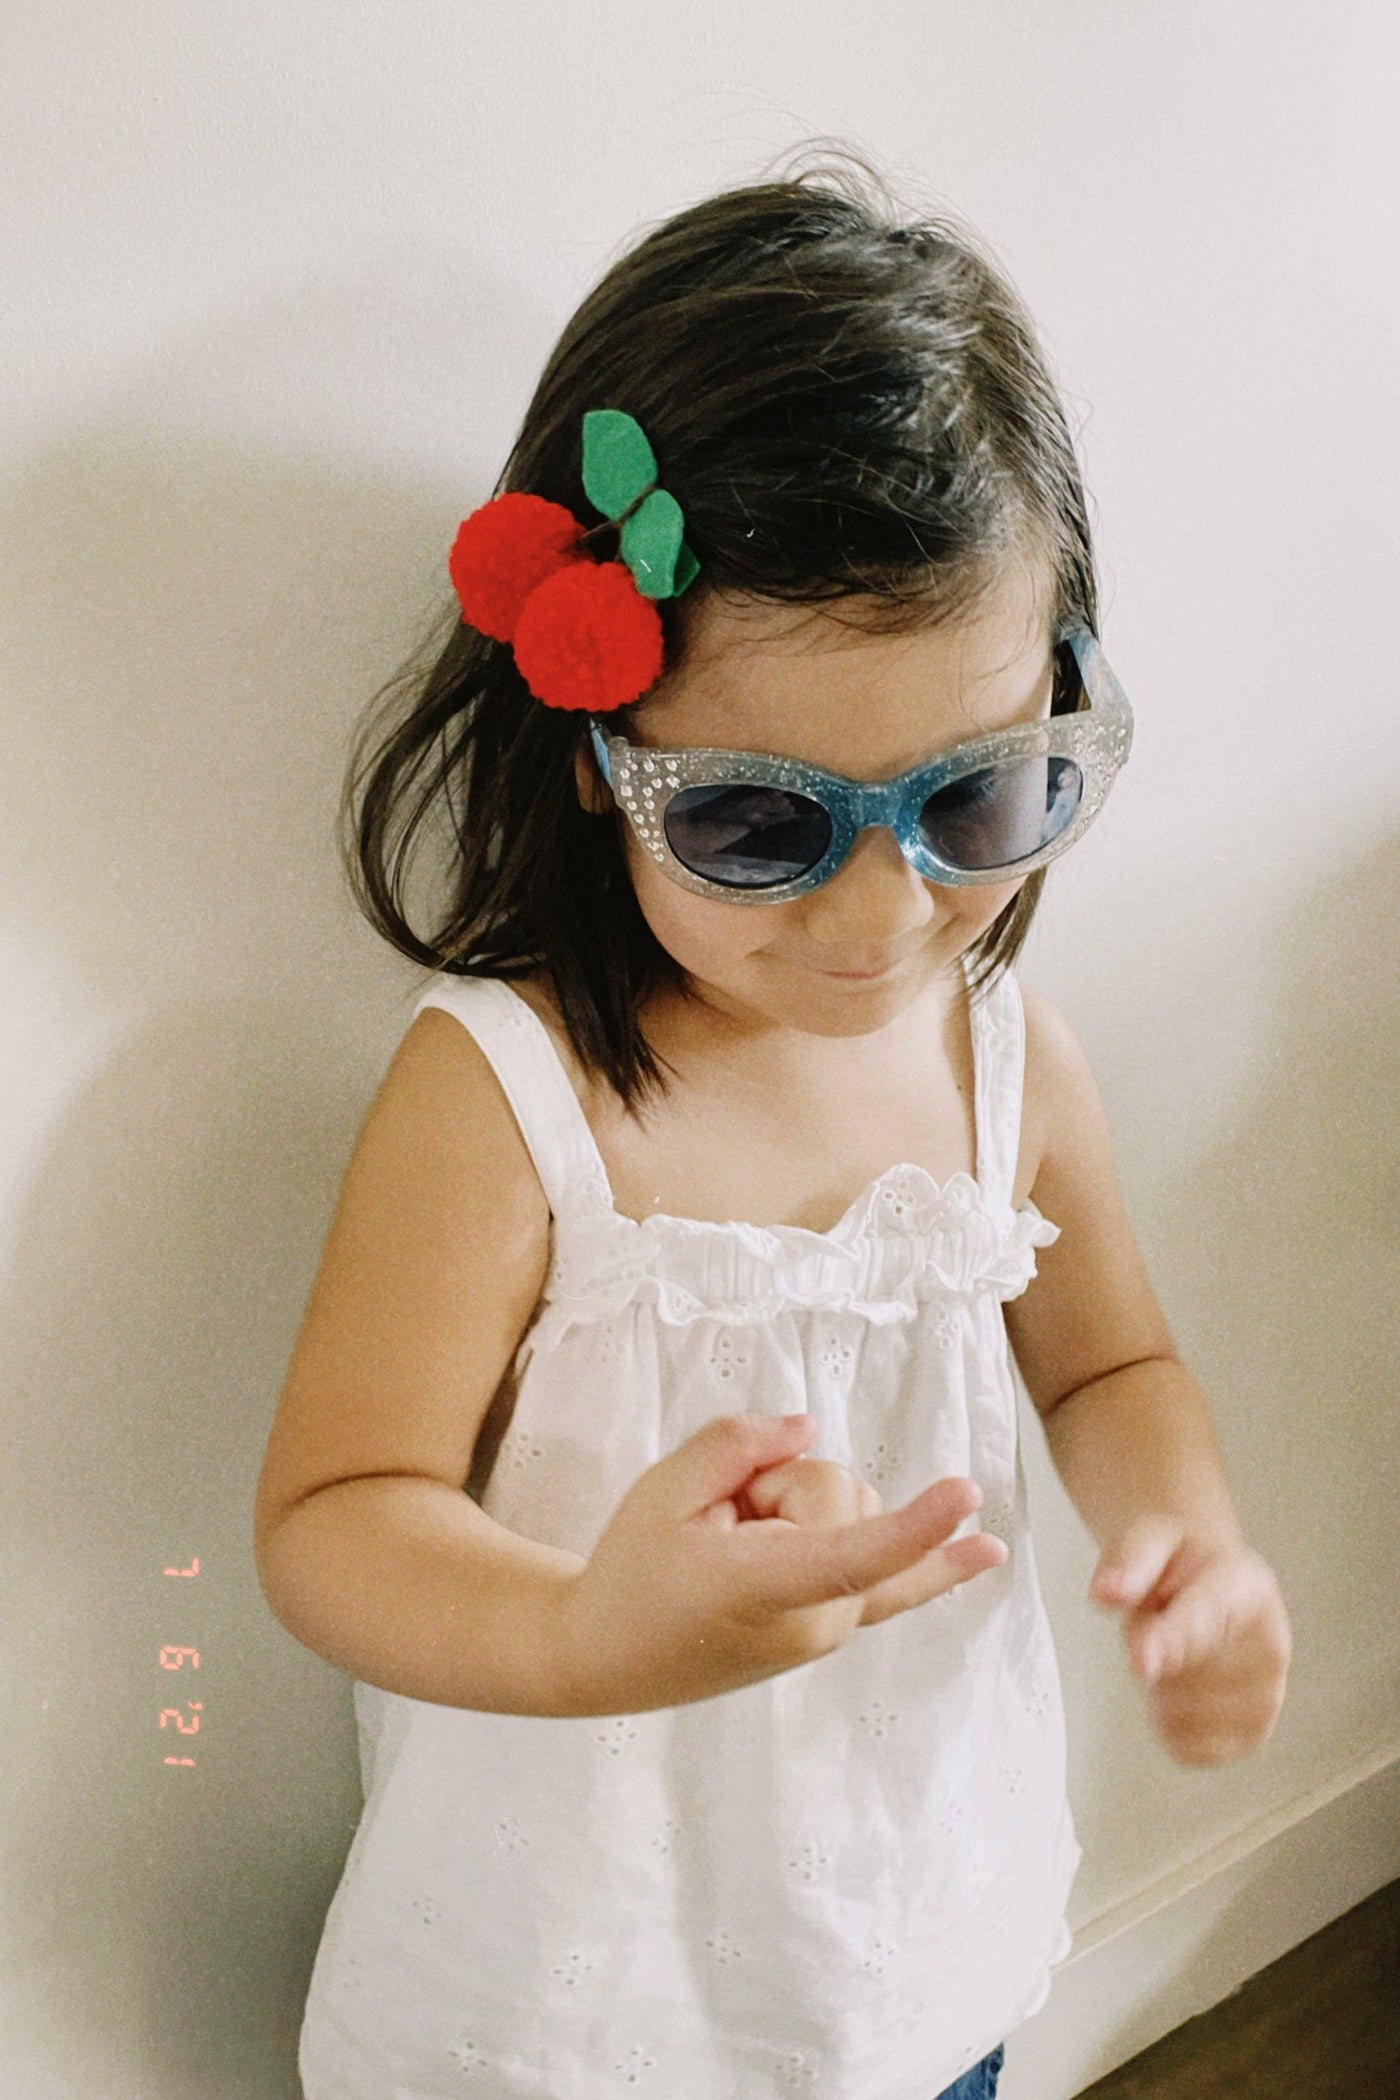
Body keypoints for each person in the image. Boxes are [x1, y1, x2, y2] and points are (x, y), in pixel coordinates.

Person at [254, 156, 1292, 2100]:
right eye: (757, 825)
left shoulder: (1007, 1062)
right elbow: (330, 1521)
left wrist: (1189, 1539)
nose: (880, 918)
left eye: (979, 801)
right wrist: (584, 1631)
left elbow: (1111, 1364)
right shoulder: (509, 1099)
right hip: (567, 1999)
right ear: (590, 749)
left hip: (902, 1948)